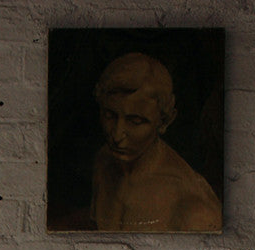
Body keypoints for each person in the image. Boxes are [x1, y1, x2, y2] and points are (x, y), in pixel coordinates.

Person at [90, 52, 222, 232]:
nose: (117, 135)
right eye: (109, 116)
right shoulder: (104, 161)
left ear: (165, 121)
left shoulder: (193, 206)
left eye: (135, 121)